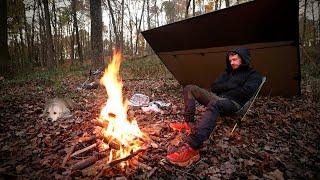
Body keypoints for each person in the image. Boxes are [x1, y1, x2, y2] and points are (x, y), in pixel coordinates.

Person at [166, 47, 262, 167]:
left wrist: (227, 87)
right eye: (230, 60)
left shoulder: (254, 75)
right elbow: (214, 87)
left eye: (235, 59)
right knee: (189, 88)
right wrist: (232, 86)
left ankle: (193, 148)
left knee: (215, 104)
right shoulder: (228, 72)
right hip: (219, 98)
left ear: (243, 59)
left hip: (235, 103)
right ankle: (188, 122)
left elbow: (245, 93)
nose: (232, 62)